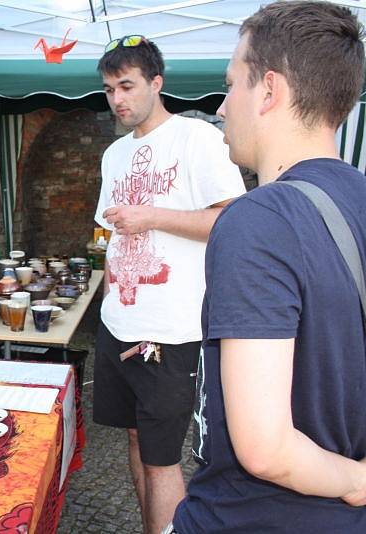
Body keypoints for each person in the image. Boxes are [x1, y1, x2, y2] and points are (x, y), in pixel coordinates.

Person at [172, 2, 366, 532]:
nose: (221, 105)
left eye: (232, 83)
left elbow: (265, 448)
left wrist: (356, 481)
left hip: (253, 518)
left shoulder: (258, 219)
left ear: (270, 91)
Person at [92, 35, 245, 534]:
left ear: (157, 83)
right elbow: (106, 230)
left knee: (162, 459)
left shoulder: (197, 139)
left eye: (128, 86)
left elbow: (232, 222)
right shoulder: (113, 154)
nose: (118, 99)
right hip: (119, 322)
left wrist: (152, 217)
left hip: (171, 332)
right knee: (137, 441)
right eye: (110, 88)